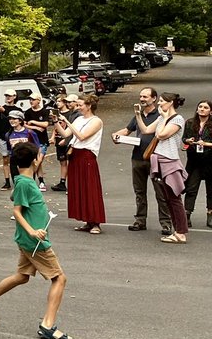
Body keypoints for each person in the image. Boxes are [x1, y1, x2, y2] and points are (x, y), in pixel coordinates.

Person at [0, 141, 73, 339]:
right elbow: (16, 210)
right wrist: (33, 231)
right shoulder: (25, 183)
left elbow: (14, 196)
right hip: (34, 242)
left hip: (29, 240)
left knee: (22, 276)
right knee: (60, 278)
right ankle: (47, 325)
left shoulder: (24, 181)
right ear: (36, 159)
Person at [111, 87, 172, 234]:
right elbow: (127, 131)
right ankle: (140, 220)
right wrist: (116, 135)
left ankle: (166, 223)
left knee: (161, 192)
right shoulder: (138, 115)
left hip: (155, 158)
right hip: (137, 157)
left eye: (145, 97)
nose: (142, 99)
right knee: (139, 191)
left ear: (154, 99)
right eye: (141, 96)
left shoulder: (160, 115)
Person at [56, 94, 105, 234]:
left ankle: (96, 222)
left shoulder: (96, 121)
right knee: (79, 188)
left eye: (80, 105)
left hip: (87, 156)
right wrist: (56, 122)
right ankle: (87, 220)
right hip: (75, 155)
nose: (78, 107)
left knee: (90, 188)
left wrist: (67, 121)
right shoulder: (78, 119)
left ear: (89, 106)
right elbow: (66, 134)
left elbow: (82, 136)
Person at [146, 92, 189, 244]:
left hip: (169, 160)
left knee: (174, 198)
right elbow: (146, 130)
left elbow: (161, 134)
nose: (159, 104)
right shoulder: (161, 118)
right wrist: (138, 114)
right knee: (168, 198)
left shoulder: (177, 119)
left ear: (170, 103)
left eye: (162, 101)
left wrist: (163, 118)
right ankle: (178, 231)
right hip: (159, 159)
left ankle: (181, 232)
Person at [182, 99, 212, 229]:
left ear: (211, 111)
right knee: (191, 189)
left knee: (211, 190)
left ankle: (210, 214)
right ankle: (187, 214)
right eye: (200, 107)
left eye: (205, 107)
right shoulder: (190, 122)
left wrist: (206, 144)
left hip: (210, 161)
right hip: (194, 161)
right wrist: (188, 141)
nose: (202, 109)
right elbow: (184, 138)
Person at [49, 94, 79, 192]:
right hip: (61, 140)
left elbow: (73, 130)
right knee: (62, 162)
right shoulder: (63, 114)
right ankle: (63, 182)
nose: (68, 103)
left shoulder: (74, 115)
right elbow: (57, 127)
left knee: (71, 163)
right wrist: (53, 136)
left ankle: (73, 184)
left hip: (70, 142)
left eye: (70, 102)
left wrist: (66, 140)